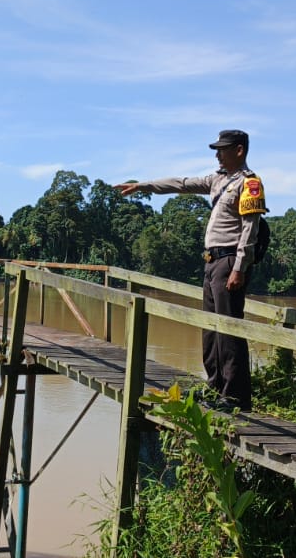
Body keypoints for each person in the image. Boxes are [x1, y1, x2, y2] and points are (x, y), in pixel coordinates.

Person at [115, 129, 267, 411]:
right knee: (211, 329)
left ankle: (235, 397)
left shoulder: (250, 183)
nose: (217, 154)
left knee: (229, 328)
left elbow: (250, 229)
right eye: (216, 149)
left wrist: (239, 268)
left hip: (229, 261)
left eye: (222, 149)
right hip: (211, 262)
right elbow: (181, 184)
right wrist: (143, 186)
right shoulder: (217, 180)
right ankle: (215, 387)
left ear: (239, 150)